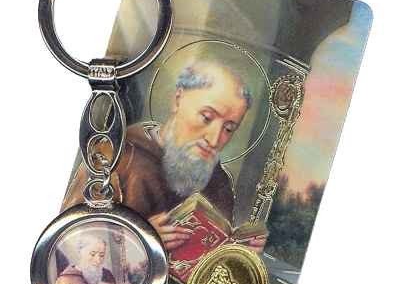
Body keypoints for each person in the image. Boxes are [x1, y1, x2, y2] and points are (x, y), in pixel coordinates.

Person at [62, 60, 266, 254]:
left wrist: (238, 250)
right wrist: (138, 240)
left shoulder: (218, 183)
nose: (213, 140)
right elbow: (68, 242)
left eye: (228, 128)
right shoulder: (115, 157)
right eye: (206, 117)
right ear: (178, 100)